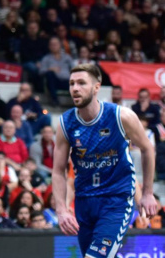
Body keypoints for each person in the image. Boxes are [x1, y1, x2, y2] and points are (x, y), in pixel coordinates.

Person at [53, 64, 157, 257]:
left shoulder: (120, 115)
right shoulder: (65, 123)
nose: (75, 88)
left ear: (96, 87)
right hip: (84, 201)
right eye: (71, 83)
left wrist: (148, 193)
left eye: (81, 83)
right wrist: (61, 209)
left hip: (116, 199)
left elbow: (147, 149)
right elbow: (58, 171)